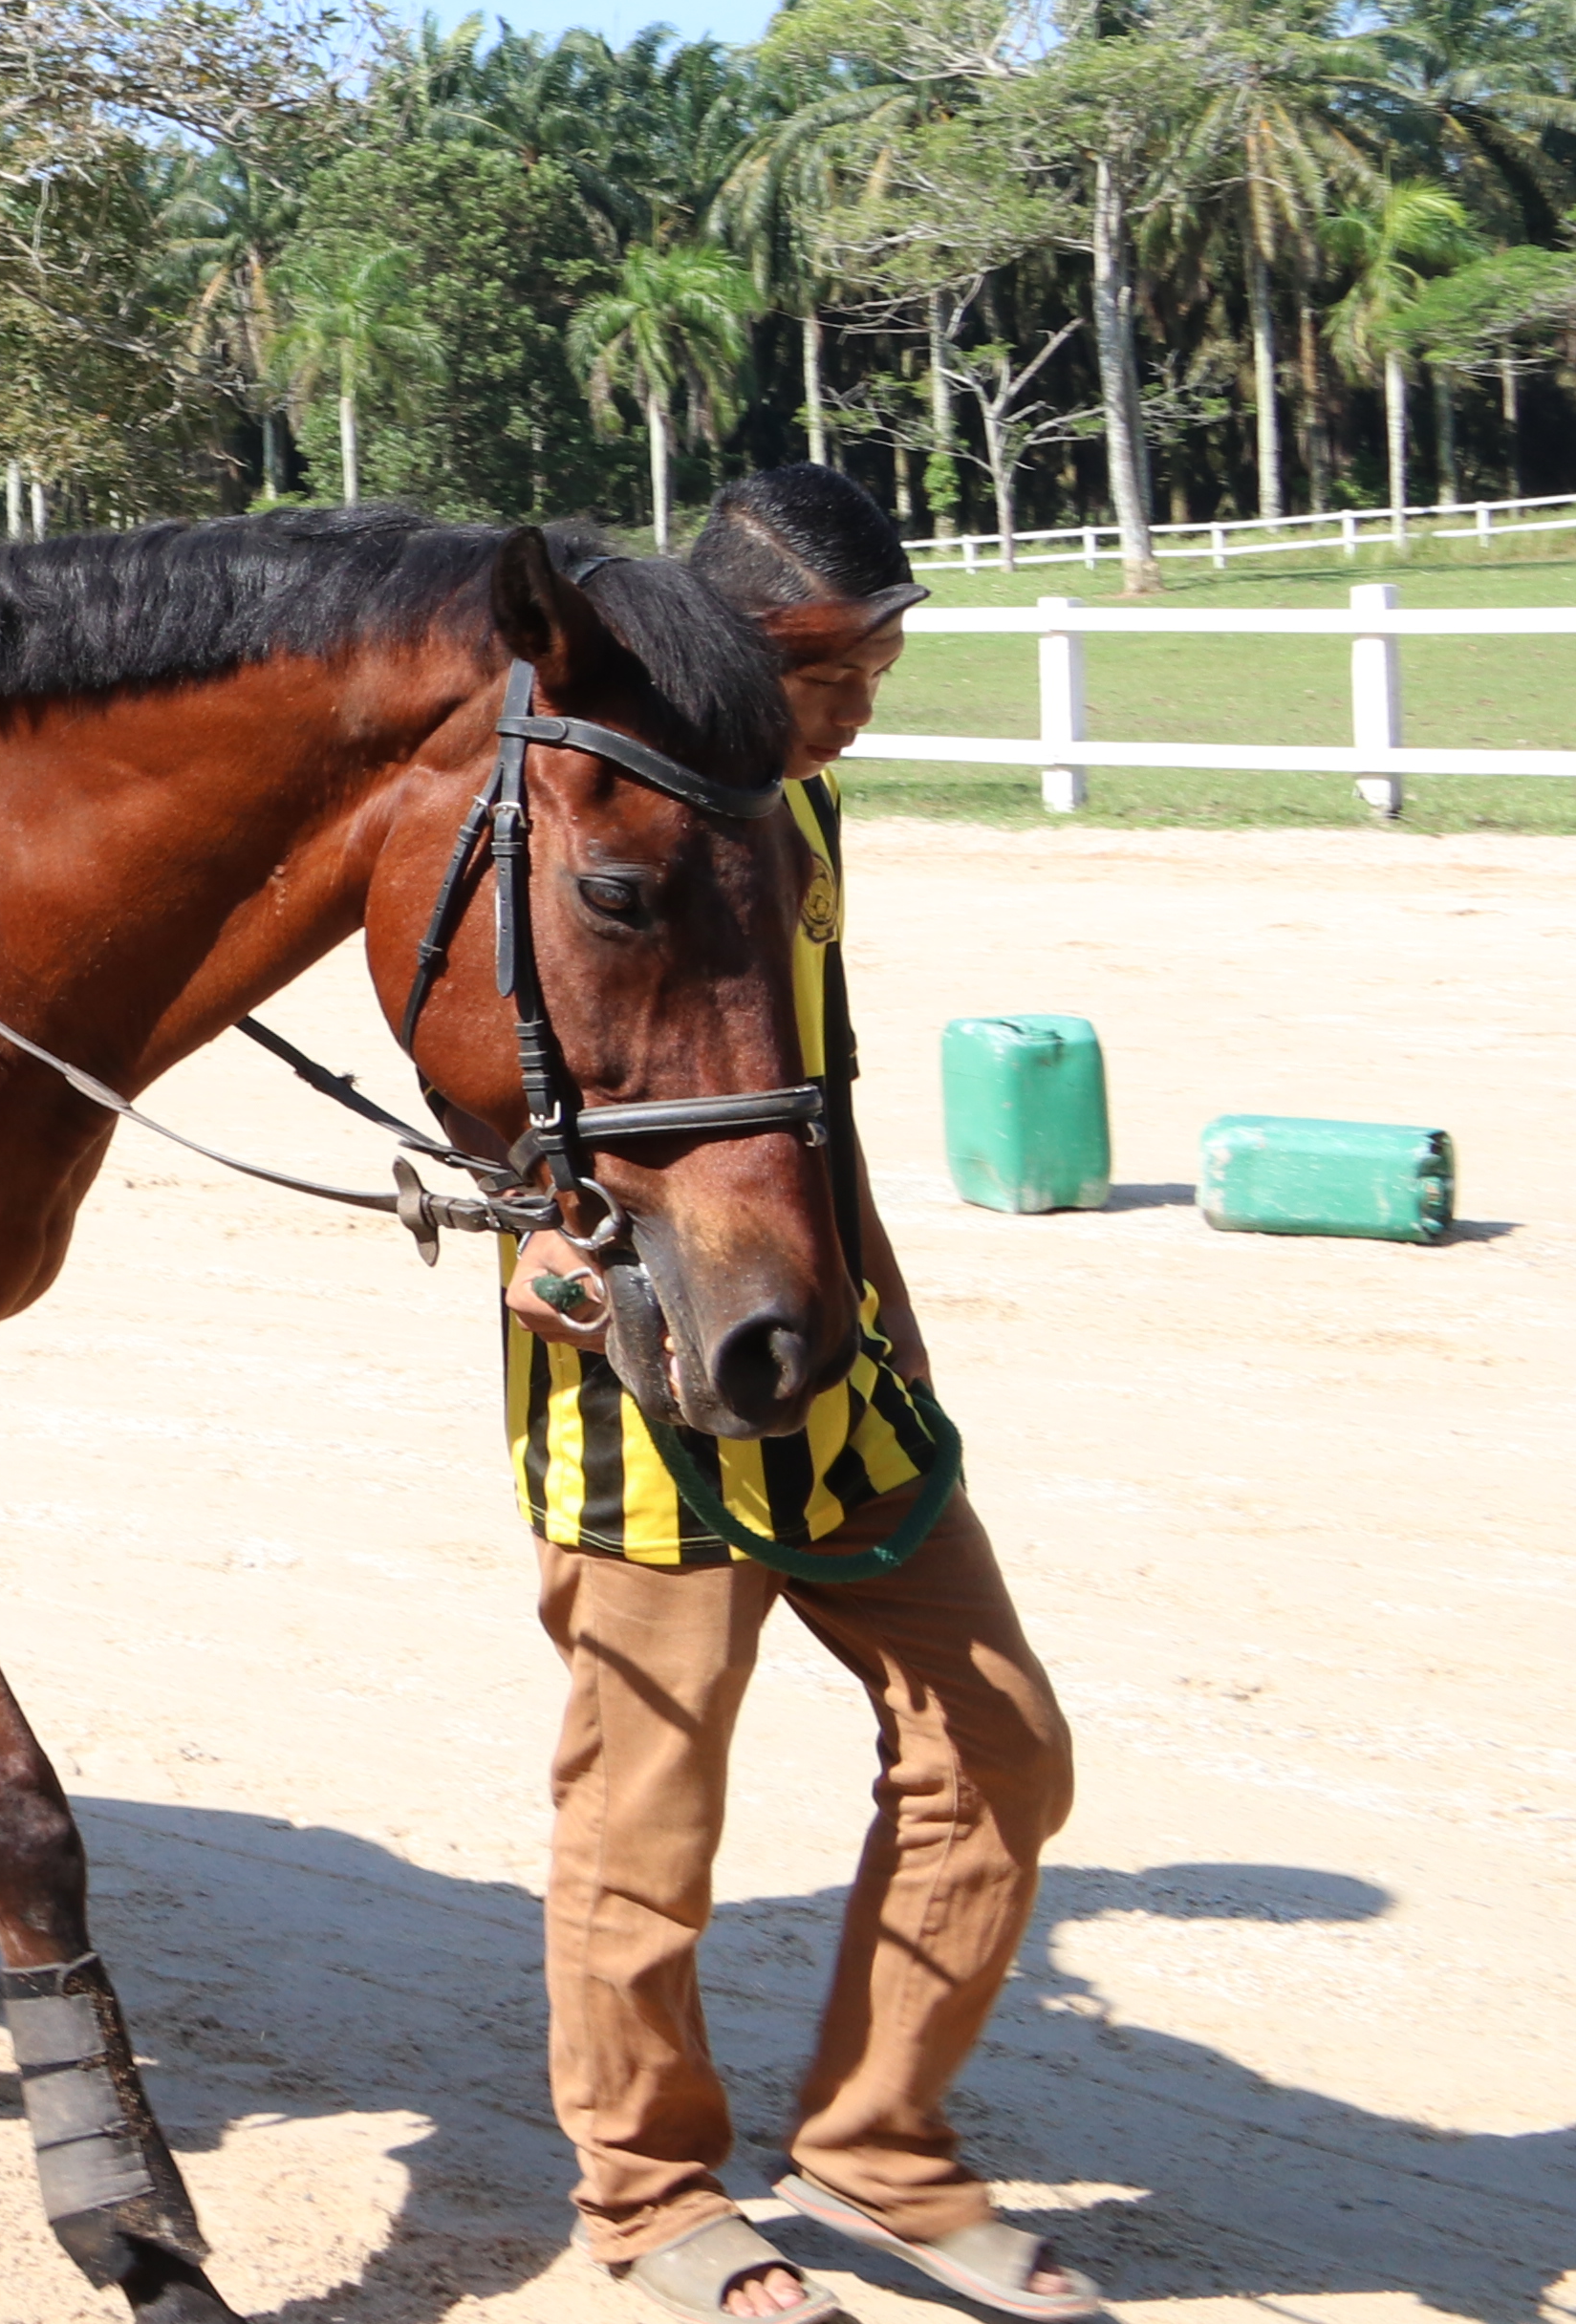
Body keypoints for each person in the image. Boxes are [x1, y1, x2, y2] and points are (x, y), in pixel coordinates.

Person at [501, 464, 1112, 2324]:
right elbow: (498, 1053)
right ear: (739, 643)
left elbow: (796, 1092)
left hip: (835, 1365)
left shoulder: (793, 810)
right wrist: (541, 1241)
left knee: (1000, 1742)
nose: (867, 698)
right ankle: (653, 2191)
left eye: (881, 660)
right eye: (838, 665)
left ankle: (876, 2137)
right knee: (650, 1819)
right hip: (635, 1376)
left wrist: (894, 1315)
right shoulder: (570, 786)